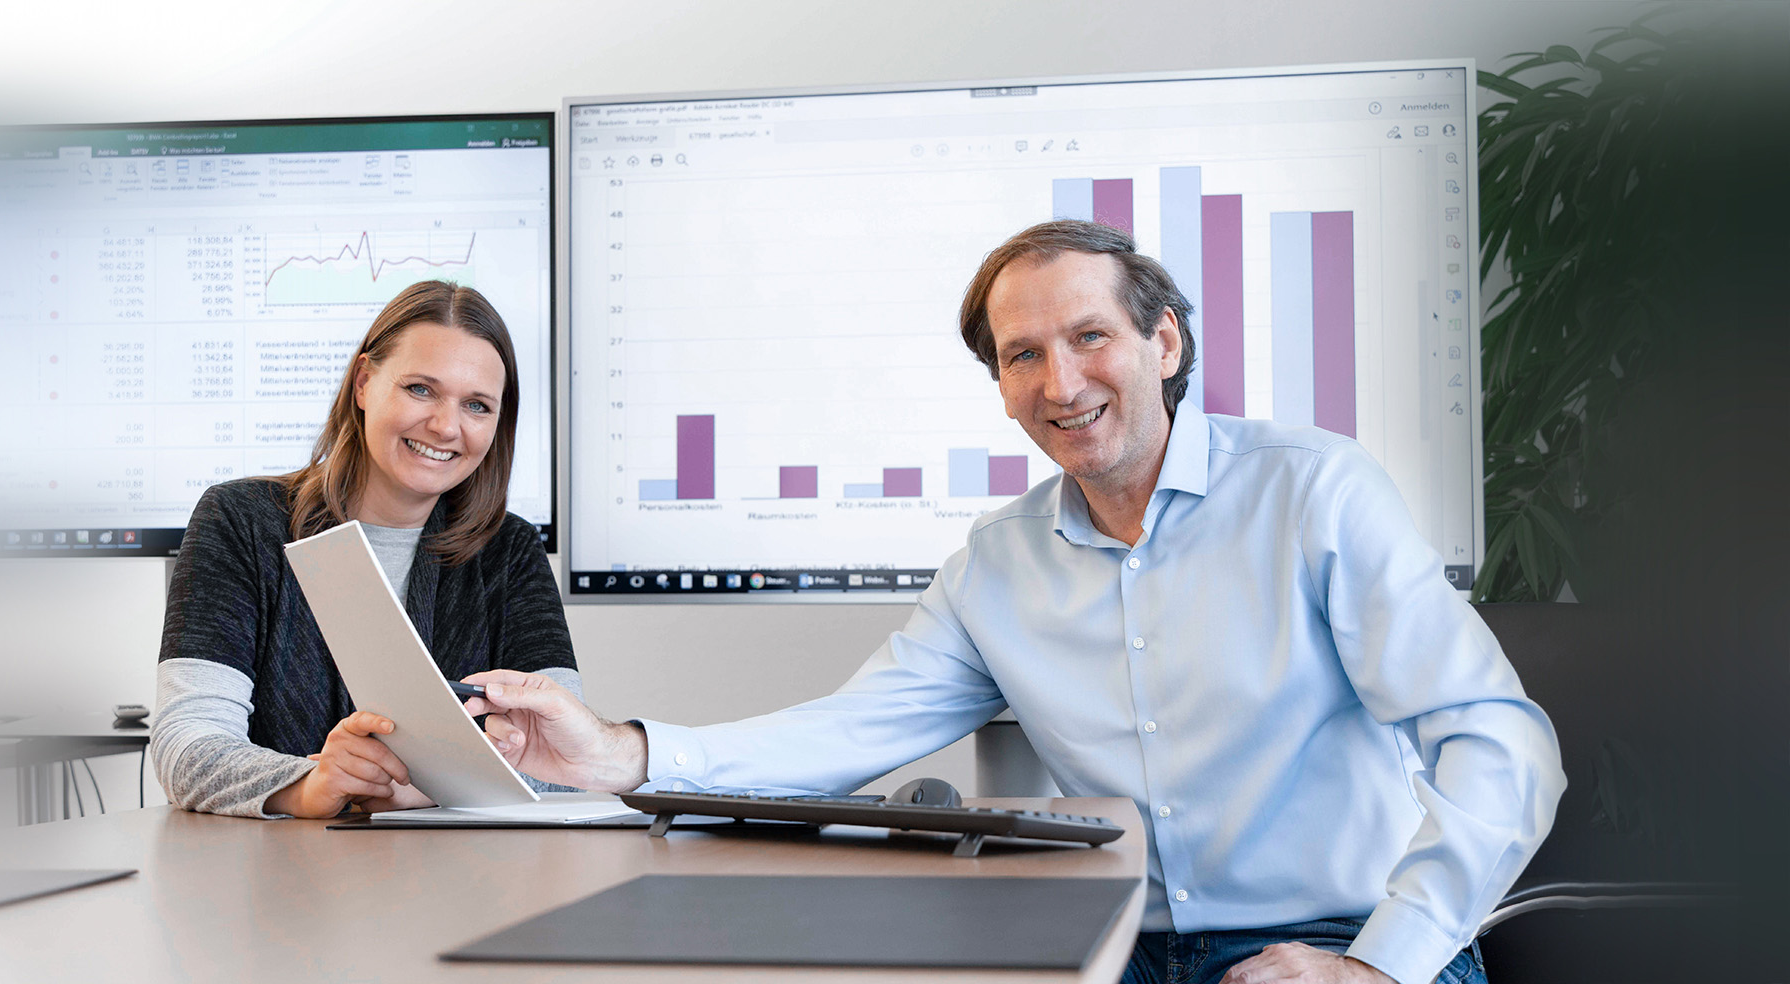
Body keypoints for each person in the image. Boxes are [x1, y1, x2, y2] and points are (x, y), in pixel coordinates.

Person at [456, 221, 1565, 984]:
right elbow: (847, 732)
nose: (1059, 382)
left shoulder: (1312, 492)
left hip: (1338, 938)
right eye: (1020, 355)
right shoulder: (999, 561)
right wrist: (619, 753)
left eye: (1089, 337)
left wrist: (1382, 958)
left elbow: (1500, 744)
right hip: (1113, 945)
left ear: (1162, 343)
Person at [150, 281, 579, 819]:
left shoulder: (509, 550)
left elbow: (569, 755)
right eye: (421, 389)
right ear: (363, 383)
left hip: (461, 886)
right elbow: (186, 746)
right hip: (276, 878)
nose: (447, 426)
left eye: (477, 405)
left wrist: (425, 790)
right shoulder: (241, 521)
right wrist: (311, 785)